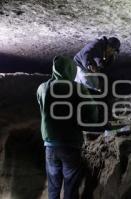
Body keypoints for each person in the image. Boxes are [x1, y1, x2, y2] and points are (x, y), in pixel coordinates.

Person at [37, 56, 99, 199]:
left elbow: (42, 108)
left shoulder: (42, 88)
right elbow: (92, 111)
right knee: (70, 186)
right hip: (70, 145)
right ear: (71, 70)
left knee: (53, 186)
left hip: (50, 146)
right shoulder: (77, 88)